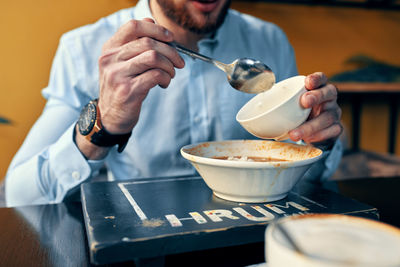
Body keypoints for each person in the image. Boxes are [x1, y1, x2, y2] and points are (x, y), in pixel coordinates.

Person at [5, 0, 343, 207]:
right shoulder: (84, 48)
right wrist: (103, 124)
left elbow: (301, 170)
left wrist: (319, 140)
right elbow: (22, 196)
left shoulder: (269, 39)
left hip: (251, 235)